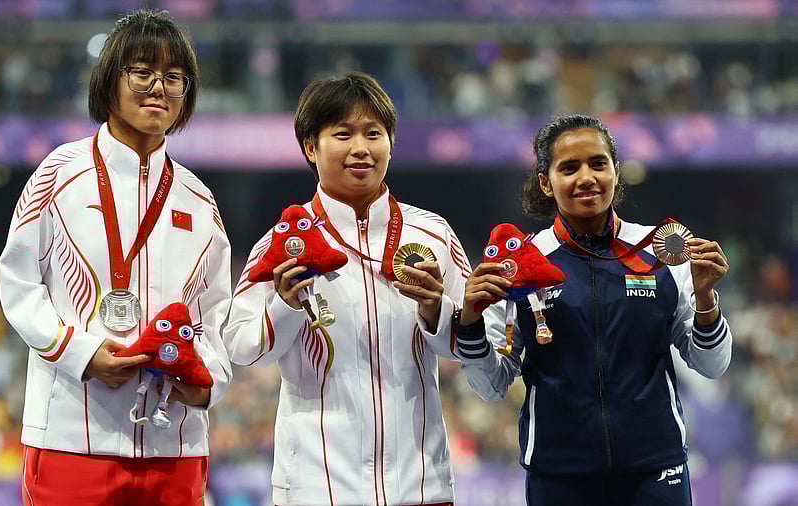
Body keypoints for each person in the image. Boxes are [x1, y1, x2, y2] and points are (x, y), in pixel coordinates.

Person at [0, 9, 232, 505]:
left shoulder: (199, 199)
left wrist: (207, 384)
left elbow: (217, 316)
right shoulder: (58, 173)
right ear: (109, 82)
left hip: (175, 444)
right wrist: (80, 354)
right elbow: (17, 282)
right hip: (70, 435)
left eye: (173, 77)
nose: (158, 88)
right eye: (142, 72)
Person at [455, 114, 732, 505]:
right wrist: (469, 323)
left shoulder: (661, 254)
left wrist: (706, 300)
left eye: (598, 164)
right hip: (559, 474)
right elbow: (490, 385)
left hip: (655, 470)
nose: (586, 177)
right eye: (569, 167)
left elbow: (711, 366)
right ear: (545, 182)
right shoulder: (518, 269)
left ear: (616, 172)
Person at [224, 71, 472, 506]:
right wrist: (286, 305)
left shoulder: (433, 234)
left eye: (373, 133)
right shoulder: (281, 243)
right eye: (342, 134)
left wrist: (437, 313)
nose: (360, 148)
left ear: (391, 144)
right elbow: (243, 349)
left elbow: (472, 347)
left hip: (421, 485)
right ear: (310, 147)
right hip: (316, 487)